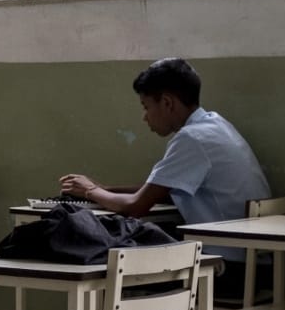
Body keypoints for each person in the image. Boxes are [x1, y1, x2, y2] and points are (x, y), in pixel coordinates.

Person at [59, 57, 271, 297]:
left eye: (146, 106)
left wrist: (90, 191)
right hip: (258, 267)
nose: (144, 117)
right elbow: (156, 190)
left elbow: (136, 206)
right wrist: (106, 189)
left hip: (229, 271)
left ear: (167, 103)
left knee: (116, 273)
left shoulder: (191, 139)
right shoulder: (215, 124)